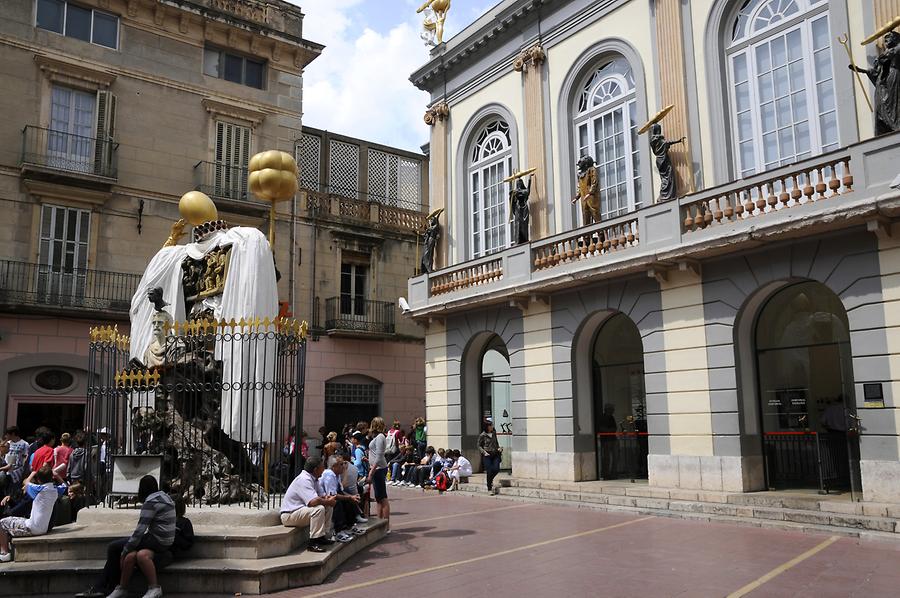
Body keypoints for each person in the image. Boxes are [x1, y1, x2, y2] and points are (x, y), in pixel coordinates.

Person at [106, 475, 175, 598]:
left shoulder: (151, 501)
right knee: (131, 556)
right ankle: (122, 588)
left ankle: (110, 585)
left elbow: (139, 531)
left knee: (114, 547)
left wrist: (125, 550)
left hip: (157, 540)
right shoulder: (165, 496)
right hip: (166, 540)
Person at [0, 464, 58, 562]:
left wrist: (33, 472)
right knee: (12, 521)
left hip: (32, 527)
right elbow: (65, 486)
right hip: (43, 527)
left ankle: (4, 553)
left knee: (2, 523)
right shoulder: (54, 490)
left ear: (38, 480)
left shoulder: (38, 490)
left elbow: (26, 482)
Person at [280, 456, 337, 553]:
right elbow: (312, 502)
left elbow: (321, 496)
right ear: (315, 469)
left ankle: (322, 536)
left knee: (327, 506)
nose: (324, 469)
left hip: (300, 511)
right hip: (289, 515)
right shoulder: (304, 479)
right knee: (318, 509)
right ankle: (313, 543)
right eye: (322, 467)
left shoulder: (314, 479)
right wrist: (328, 501)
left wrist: (327, 499)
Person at [849, 31, 900, 135]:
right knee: (880, 106)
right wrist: (861, 70)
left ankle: (896, 126)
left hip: (894, 77)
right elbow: (876, 72)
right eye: (884, 40)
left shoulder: (896, 49)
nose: (885, 41)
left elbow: (892, 54)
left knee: (894, 103)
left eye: (888, 39)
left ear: (895, 39)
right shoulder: (885, 54)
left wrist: (884, 56)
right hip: (881, 85)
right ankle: (885, 129)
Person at [320, 456, 362, 542]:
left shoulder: (337, 475)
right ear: (334, 466)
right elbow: (333, 495)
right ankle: (338, 532)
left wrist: (352, 497)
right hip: (323, 498)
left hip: (329, 497)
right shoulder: (329, 474)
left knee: (349, 499)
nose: (344, 466)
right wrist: (350, 497)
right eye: (341, 464)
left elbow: (341, 491)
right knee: (338, 503)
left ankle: (349, 526)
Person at [366, 417, 390, 531]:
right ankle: (379, 522)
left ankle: (385, 524)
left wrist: (372, 470)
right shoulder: (377, 437)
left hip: (379, 469)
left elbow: (379, 455)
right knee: (378, 498)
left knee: (382, 497)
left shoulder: (380, 437)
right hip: (377, 468)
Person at [478, 420, 502, 495]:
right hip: (487, 455)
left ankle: (490, 480)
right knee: (489, 470)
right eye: (490, 425)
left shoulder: (494, 433)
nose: (492, 427)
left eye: (492, 425)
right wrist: (484, 452)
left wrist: (499, 448)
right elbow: (479, 445)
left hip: (495, 454)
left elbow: (496, 442)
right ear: (487, 427)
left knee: (496, 469)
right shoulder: (483, 435)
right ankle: (489, 488)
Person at [597, 404, 619, 480]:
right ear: (606, 410)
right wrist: (609, 431)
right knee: (606, 458)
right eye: (611, 409)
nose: (613, 411)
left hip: (613, 439)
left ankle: (613, 473)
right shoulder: (602, 418)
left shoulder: (611, 417)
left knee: (615, 457)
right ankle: (606, 473)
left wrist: (609, 430)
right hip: (606, 440)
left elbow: (615, 428)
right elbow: (601, 428)